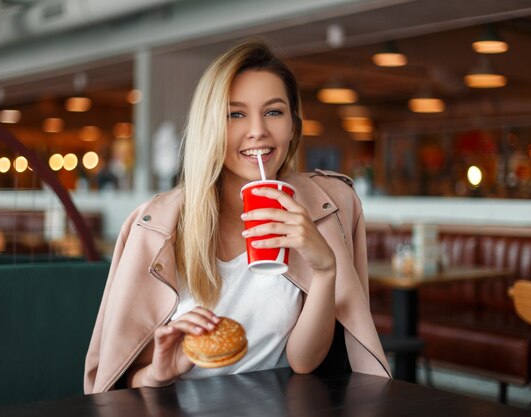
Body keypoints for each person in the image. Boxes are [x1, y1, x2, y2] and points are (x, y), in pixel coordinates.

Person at [84, 39, 391, 394]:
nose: (258, 130)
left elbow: (304, 362)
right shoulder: (154, 228)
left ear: (293, 126)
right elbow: (119, 380)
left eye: (274, 112)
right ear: (209, 126)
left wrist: (325, 270)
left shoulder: (321, 210)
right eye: (235, 114)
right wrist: (158, 374)